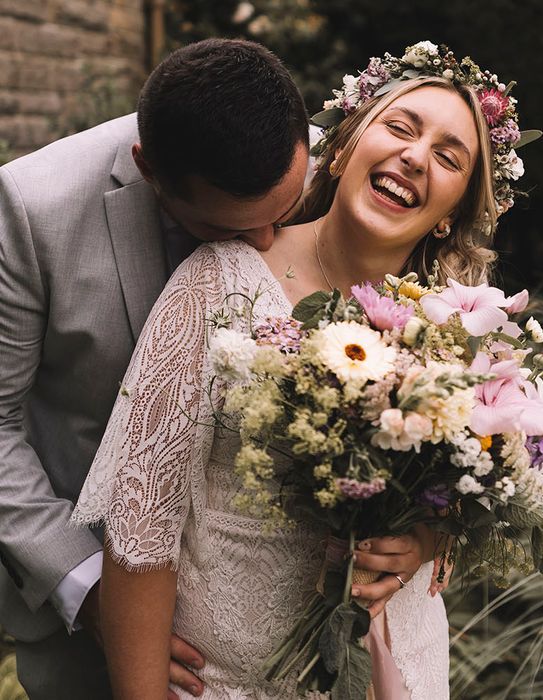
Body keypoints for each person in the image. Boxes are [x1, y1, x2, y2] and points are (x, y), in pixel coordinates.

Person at [72, 41, 531, 700]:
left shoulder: (461, 329)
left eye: (448, 155)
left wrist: (423, 541)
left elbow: (469, 489)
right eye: (400, 127)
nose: (415, 155)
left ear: (453, 211)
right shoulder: (215, 287)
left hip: (398, 668)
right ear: (343, 146)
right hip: (233, 681)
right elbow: (142, 532)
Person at [0, 38, 311, 700]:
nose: (262, 246)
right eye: (223, 227)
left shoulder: (328, 162)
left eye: (280, 219)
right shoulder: (32, 207)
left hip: (289, 633)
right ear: (148, 169)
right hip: (88, 635)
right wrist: (88, 592)